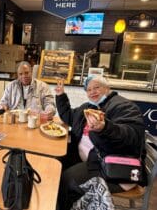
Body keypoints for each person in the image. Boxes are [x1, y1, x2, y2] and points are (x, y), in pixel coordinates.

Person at [55, 75, 146, 210]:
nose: (92, 92)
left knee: (66, 180)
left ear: (107, 88)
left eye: (97, 87)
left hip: (114, 167)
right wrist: (61, 95)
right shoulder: (89, 107)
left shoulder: (123, 105)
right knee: (56, 162)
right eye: (89, 89)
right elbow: (69, 116)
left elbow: (132, 136)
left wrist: (105, 127)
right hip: (90, 159)